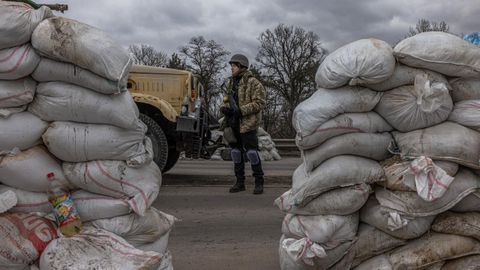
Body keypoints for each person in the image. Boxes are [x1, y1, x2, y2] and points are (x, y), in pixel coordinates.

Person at [221, 54, 266, 194]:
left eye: (233, 66)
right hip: (233, 124)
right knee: (236, 153)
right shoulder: (230, 83)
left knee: (252, 153)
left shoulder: (253, 83)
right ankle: (240, 183)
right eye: (231, 66)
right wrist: (225, 109)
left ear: (241, 66)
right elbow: (227, 100)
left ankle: (259, 182)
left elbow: (260, 103)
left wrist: (241, 111)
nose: (231, 68)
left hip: (248, 124)